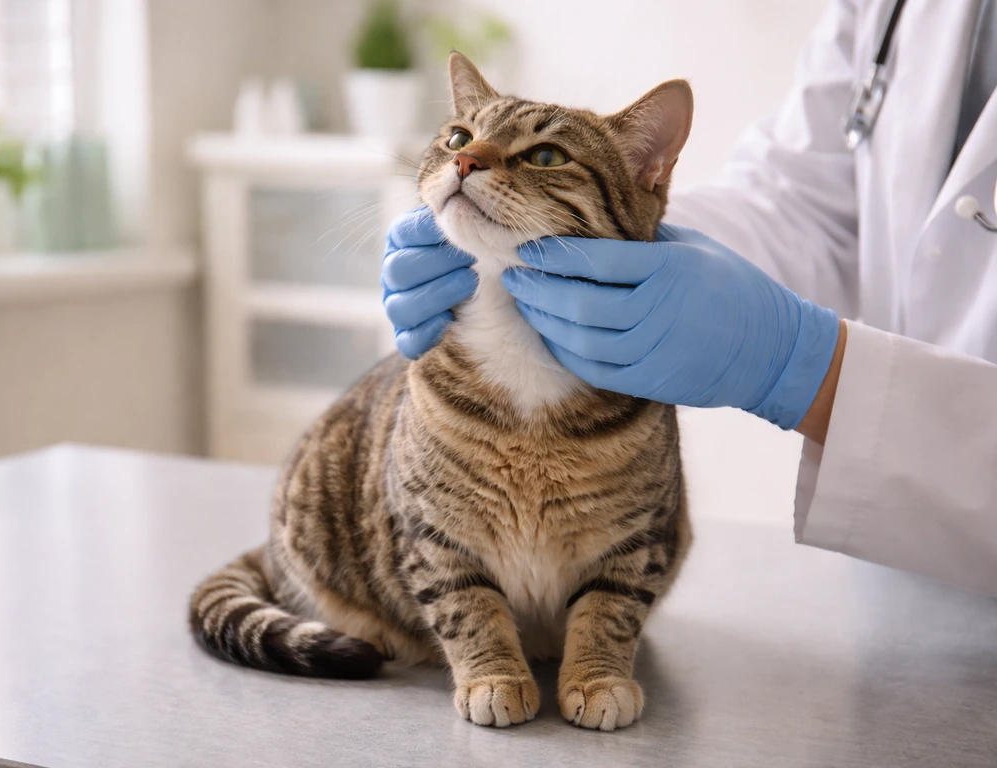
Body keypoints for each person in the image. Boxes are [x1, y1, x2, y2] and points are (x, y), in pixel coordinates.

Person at [379, 0, 997, 597]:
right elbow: (802, 196)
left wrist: (802, 368)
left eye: (541, 156)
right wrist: (622, 254)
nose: (470, 161)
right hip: (895, 588)